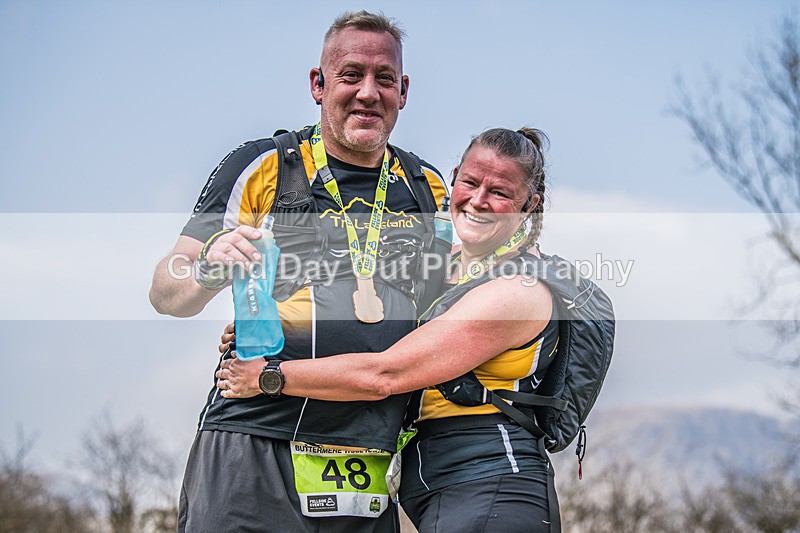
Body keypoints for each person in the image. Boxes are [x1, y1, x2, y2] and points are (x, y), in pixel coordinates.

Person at [148, 10, 449, 532]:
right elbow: (165, 290)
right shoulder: (262, 163)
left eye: (383, 79)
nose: (367, 93)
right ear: (319, 84)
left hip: (366, 450)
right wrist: (209, 271)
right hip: (256, 437)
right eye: (351, 75)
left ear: (403, 91)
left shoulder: (429, 185)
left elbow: (452, 308)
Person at [216, 127, 561, 532]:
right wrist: (279, 329)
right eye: (469, 182)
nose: (479, 201)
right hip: (443, 489)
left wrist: (268, 377)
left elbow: (386, 374)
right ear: (453, 178)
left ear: (528, 205)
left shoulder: (514, 290)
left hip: (494, 483)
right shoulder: (447, 269)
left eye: (500, 193)